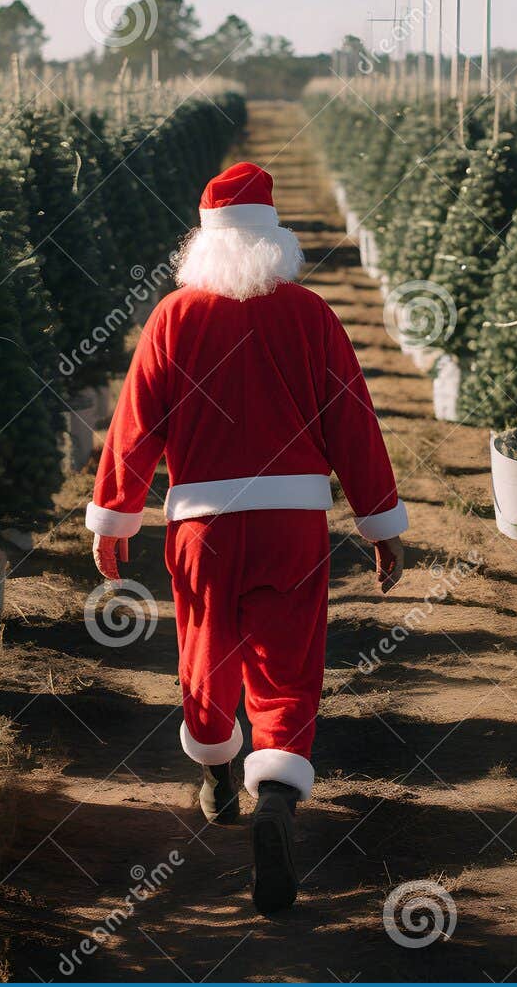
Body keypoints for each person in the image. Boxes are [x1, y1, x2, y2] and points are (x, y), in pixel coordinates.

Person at [86, 161, 406, 915]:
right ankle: (276, 798)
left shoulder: (173, 317)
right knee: (289, 658)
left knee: (206, 646)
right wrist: (379, 520)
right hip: (292, 525)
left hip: (201, 526)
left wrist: (115, 516)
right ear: (274, 239)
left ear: (204, 243)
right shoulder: (311, 316)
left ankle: (218, 773)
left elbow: (135, 428)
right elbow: (352, 422)